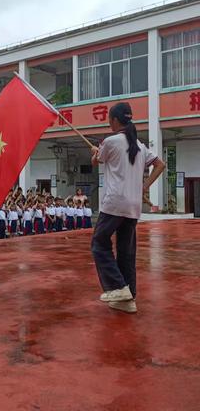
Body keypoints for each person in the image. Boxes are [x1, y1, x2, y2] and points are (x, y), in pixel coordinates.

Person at [90, 102, 165, 314]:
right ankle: (129, 299)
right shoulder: (140, 145)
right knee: (126, 252)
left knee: (99, 244)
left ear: (114, 120)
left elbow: (96, 160)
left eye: (109, 120)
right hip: (133, 206)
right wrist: (144, 186)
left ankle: (117, 286)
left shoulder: (111, 141)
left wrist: (95, 152)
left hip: (114, 203)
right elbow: (160, 164)